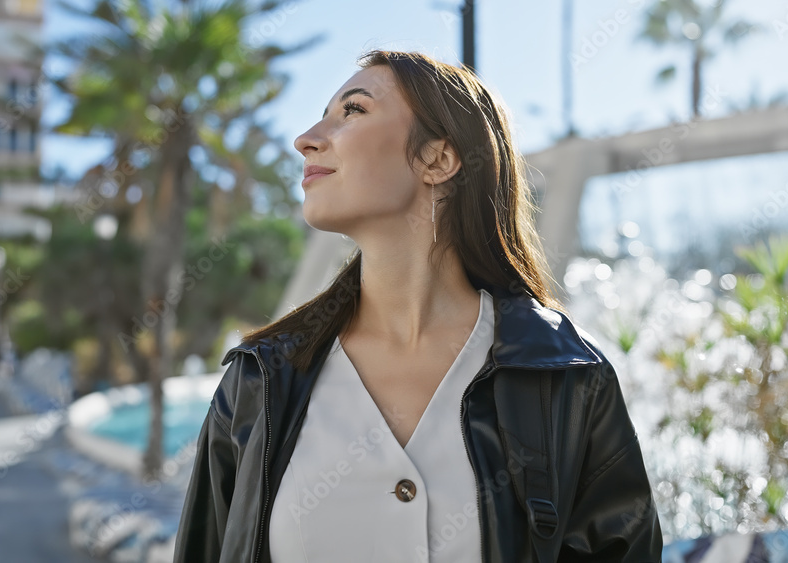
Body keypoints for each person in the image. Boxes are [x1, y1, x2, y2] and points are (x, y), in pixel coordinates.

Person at [173, 49, 663, 563]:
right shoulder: (259, 382)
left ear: (438, 159)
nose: (306, 139)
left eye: (353, 111)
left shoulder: (569, 379)